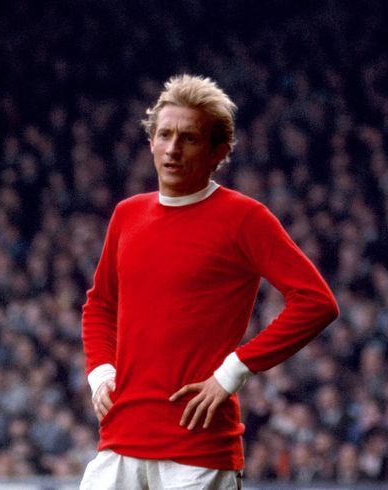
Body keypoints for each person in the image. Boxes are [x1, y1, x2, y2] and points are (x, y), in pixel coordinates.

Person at [80, 74, 338, 489]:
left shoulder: (244, 218)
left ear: (219, 151)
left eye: (189, 138)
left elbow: (316, 301)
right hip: (119, 439)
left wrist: (233, 371)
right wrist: (99, 372)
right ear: (150, 142)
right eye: (164, 135)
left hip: (199, 449)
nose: (173, 149)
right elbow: (100, 305)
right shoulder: (127, 214)